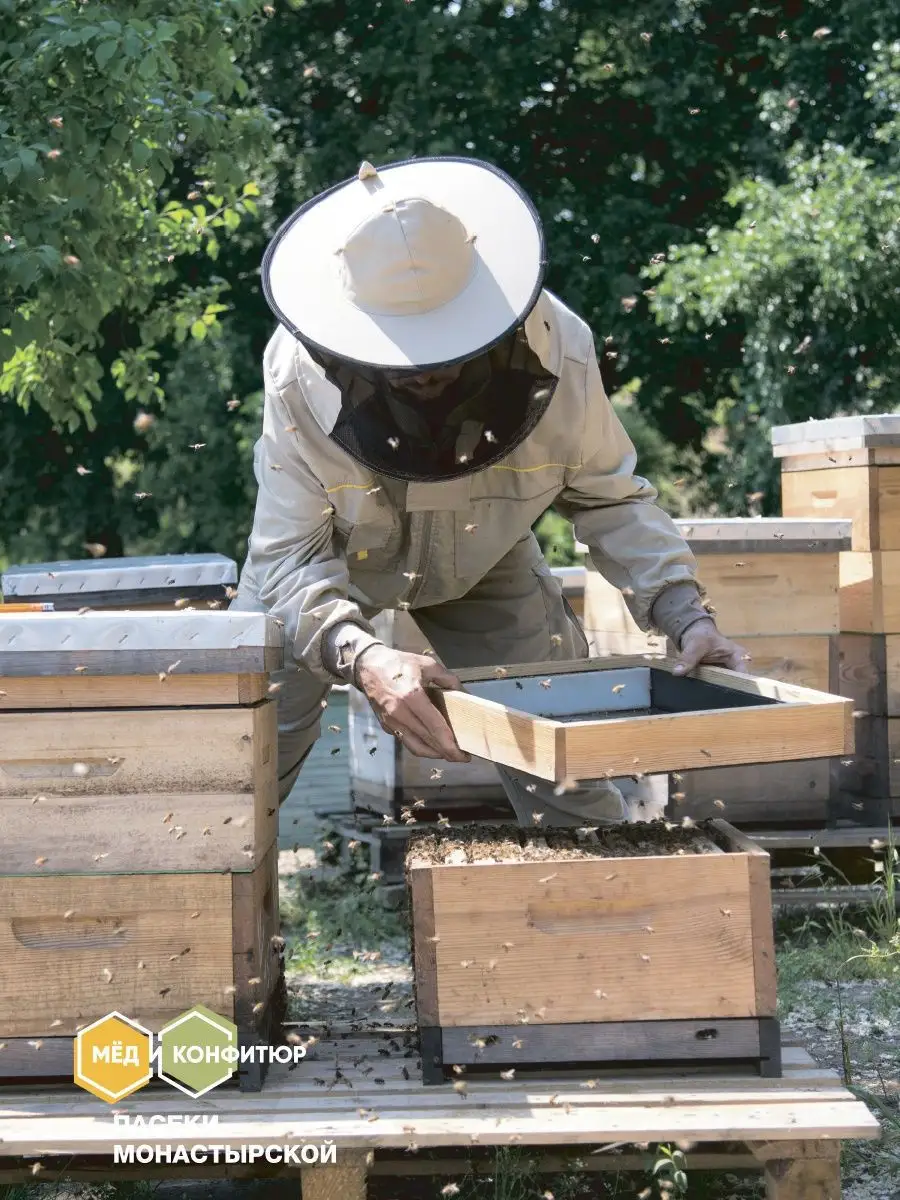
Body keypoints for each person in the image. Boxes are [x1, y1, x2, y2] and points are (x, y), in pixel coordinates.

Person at [231, 156, 746, 826]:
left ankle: (613, 914)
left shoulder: (561, 349)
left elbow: (609, 496)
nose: (422, 377)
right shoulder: (294, 373)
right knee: (238, 766)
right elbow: (288, 558)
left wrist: (685, 614)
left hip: (486, 560)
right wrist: (363, 655)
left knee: (568, 759)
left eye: (442, 358)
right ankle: (205, 919)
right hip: (328, 569)